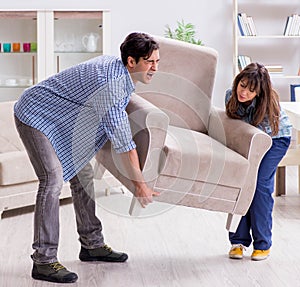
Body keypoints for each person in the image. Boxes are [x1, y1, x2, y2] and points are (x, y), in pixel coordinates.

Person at [14, 32, 160, 283]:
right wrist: (140, 185)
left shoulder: (119, 73)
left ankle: (92, 244)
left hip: (60, 119)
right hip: (34, 113)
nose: (155, 68)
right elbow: (124, 142)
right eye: (150, 62)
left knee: (82, 174)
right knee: (52, 180)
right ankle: (44, 260)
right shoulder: (110, 85)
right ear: (131, 62)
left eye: (157, 61)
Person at [225, 62, 292, 261]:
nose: (244, 92)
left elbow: (261, 139)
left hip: (275, 140)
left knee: (260, 186)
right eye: (242, 85)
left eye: (251, 90)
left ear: (259, 93)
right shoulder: (231, 95)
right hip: (249, 139)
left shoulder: (266, 105)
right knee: (241, 183)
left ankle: (263, 244)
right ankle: (238, 241)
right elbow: (235, 127)